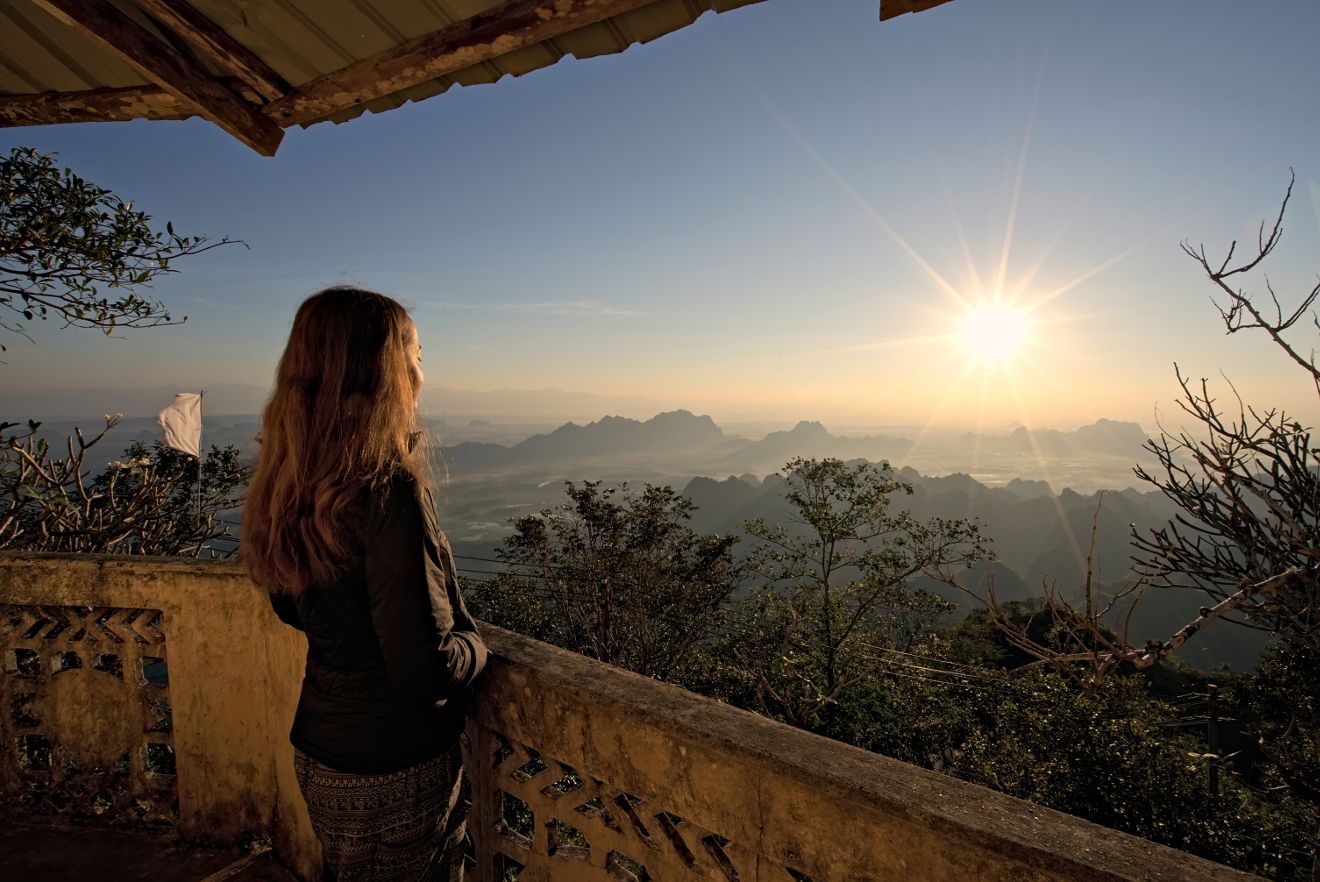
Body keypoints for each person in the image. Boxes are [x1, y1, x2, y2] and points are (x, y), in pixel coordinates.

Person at [242, 287, 487, 881]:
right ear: (390, 371)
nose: (424, 372)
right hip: (394, 770)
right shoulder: (386, 488)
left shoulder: (291, 474)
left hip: (323, 757)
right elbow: (421, 669)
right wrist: (477, 647)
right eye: (418, 355)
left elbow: (292, 605)